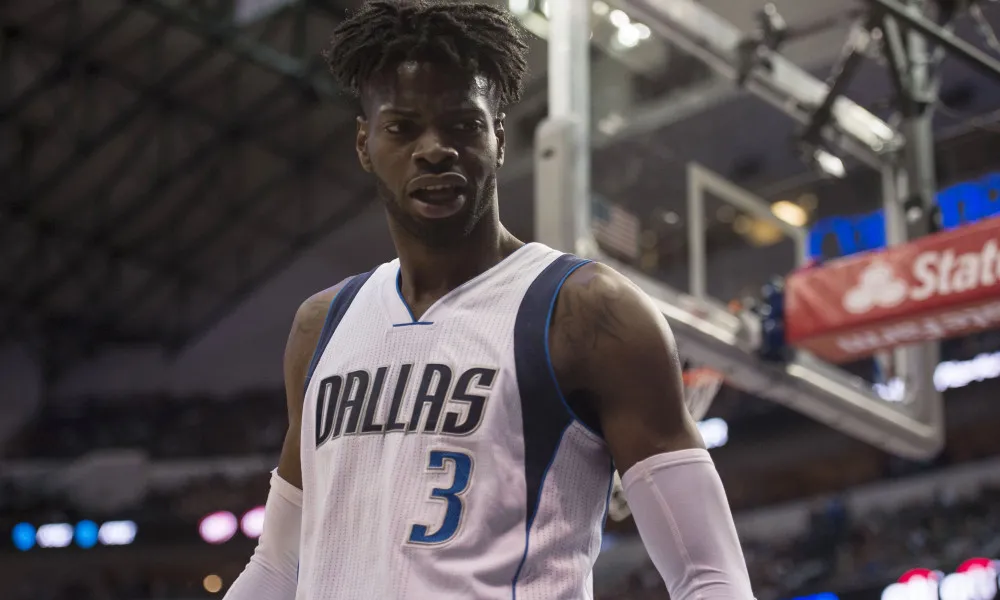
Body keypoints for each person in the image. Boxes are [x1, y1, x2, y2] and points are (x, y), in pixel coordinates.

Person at [224, 1, 754, 599]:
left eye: (462, 125)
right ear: (364, 143)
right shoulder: (321, 326)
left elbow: (707, 574)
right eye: (402, 128)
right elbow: (278, 567)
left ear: (498, 138)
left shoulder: (590, 313)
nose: (434, 149)